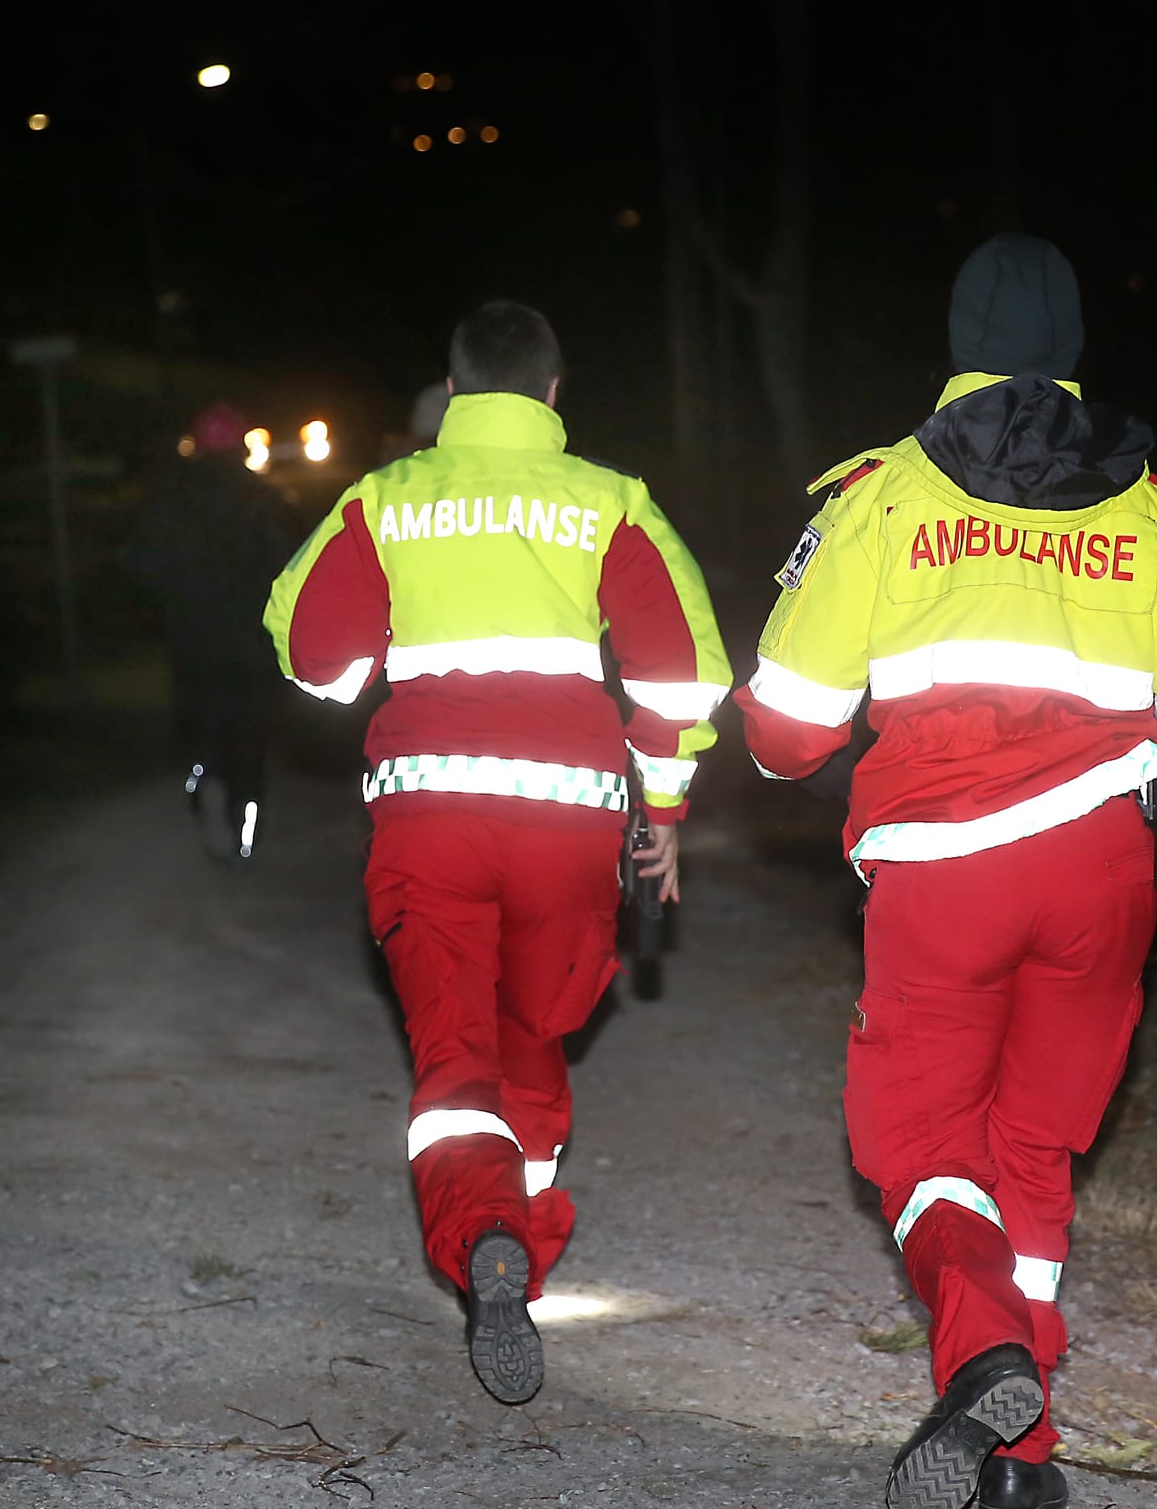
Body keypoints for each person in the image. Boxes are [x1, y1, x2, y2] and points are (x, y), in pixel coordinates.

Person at [736, 235, 1157, 1509]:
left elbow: (785, 731)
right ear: (1074, 348)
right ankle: (1022, 1450)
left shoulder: (880, 496)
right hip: (1101, 876)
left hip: (942, 872)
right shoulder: (1155, 513)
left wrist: (845, 770)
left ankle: (981, 1351)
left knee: (923, 1145)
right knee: (1031, 1146)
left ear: (957, 343)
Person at [264, 301, 730, 1403]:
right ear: (554, 392)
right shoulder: (610, 501)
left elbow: (312, 655)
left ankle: (485, 1242)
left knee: (452, 1061)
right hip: (567, 820)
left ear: (454, 389)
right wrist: (662, 806)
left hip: (428, 815)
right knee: (534, 1035)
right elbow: (679, 671)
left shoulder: (386, 498)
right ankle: (516, 1239)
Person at [134, 401, 297, 861]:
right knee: (247, 735)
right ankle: (245, 826)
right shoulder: (265, 501)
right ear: (241, 445)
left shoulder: (169, 501)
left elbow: (144, 567)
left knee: (202, 720)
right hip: (249, 643)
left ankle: (201, 776)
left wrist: (168, 611)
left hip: (192, 638)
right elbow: (290, 568)